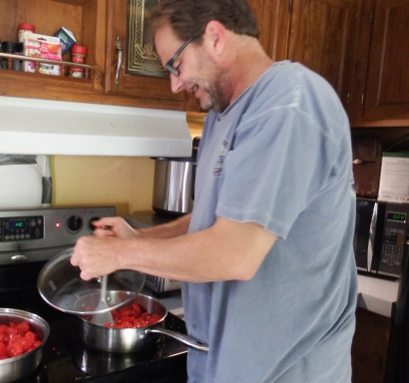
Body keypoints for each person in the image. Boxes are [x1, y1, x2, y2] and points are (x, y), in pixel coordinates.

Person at [70, 0, 358, 381]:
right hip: (225, 364)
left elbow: (233, 253)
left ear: (216, 37)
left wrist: (121, 254)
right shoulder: (221, 116)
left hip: (286, 371)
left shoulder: (288, 106)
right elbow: (215, 217)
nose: (175, 83)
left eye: (176, 64)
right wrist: (140, 237)